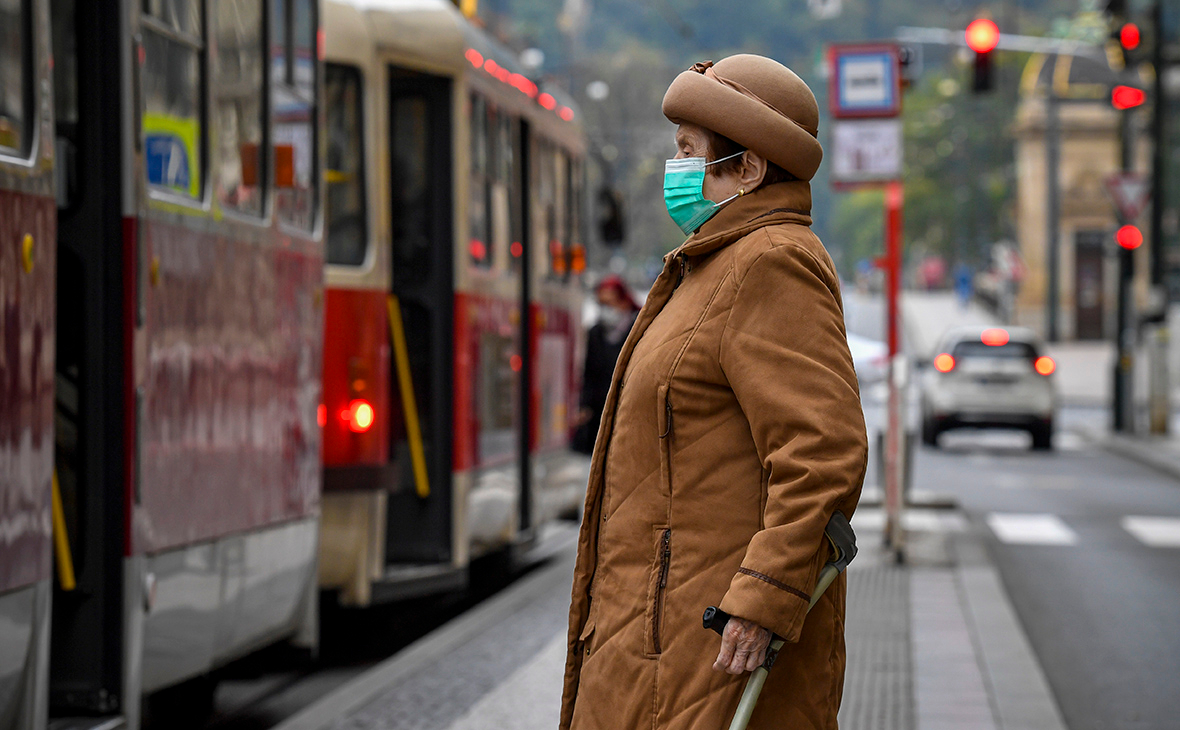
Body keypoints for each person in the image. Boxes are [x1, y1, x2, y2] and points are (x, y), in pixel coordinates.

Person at [560, 55, 868, 730]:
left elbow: (822, 453)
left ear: (749, 169)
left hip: (705, 654)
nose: (676, 170)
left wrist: (763, 600)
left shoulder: (770, 262)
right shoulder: (712, 263)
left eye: (689, 153)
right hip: (657, 641)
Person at [573, 276, 641, 455]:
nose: (606, 309)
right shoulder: (595, 332)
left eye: (610, 303)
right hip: (599, 411)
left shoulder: (639, 327)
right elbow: (588, 372)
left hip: (630, 408)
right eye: (602, 304)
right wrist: (584, 405)